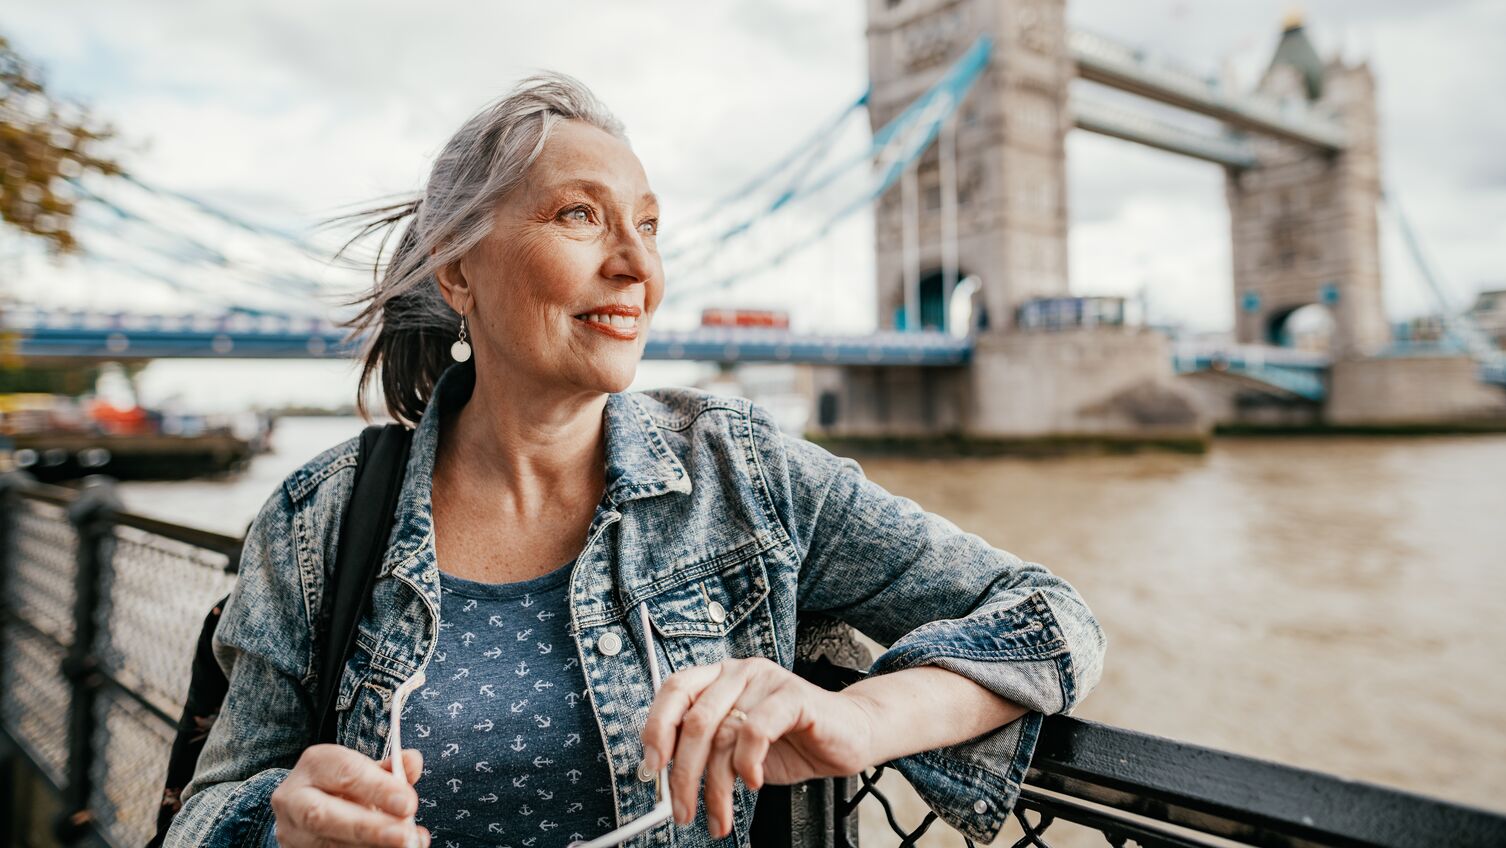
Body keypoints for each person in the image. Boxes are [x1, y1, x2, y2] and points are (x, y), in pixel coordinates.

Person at [164, 73, 1105, 848]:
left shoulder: (744, 476)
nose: (637, 266)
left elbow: (1053, 619)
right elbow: (204, 814)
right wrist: (277, 828)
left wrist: (859, 721)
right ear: (457, 272)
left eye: (648, 226)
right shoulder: (314, 522)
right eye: (581, 216)